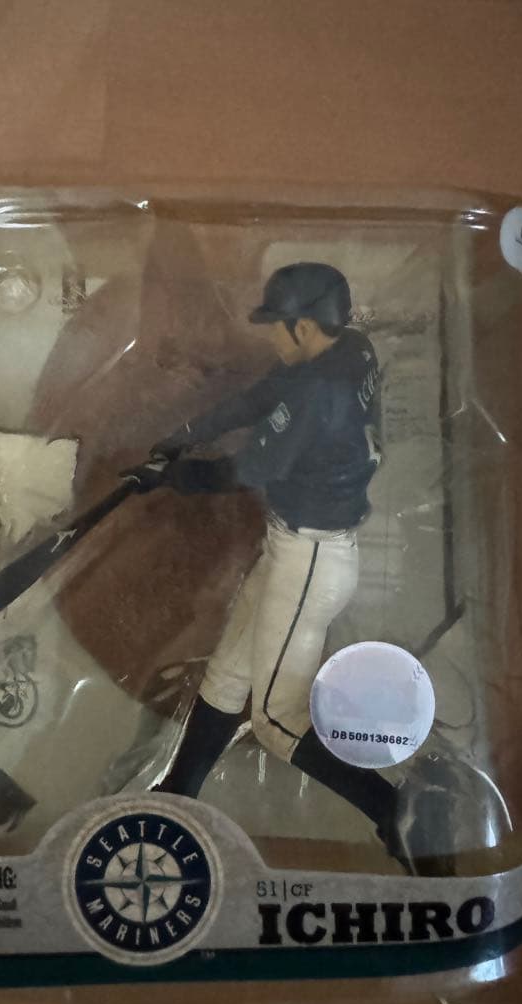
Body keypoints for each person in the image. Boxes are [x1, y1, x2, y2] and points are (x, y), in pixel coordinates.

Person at [123, 262, 406, 860]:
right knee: (227, 676)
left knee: (277, 723)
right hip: (295, 549)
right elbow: (262, 396)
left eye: (278, 324)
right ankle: (177, 796)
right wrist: (186, 433)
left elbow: (251, 469)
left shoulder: (317, 390)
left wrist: (173, 476)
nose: (271, 334)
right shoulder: (350, 348)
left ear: (305, 327)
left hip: (312, 557)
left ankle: (396, 813)